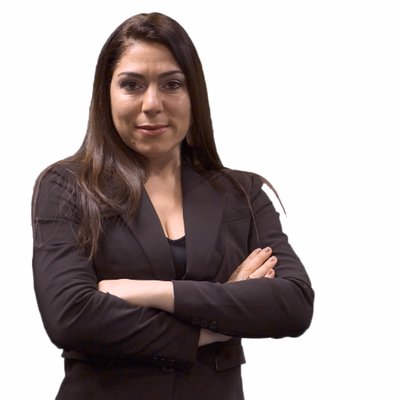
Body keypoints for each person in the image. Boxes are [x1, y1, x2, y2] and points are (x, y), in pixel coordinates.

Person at [31, 12, 314, 400]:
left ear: (193, 93)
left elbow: (294, 304)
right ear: (105, 94)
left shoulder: (242, 193)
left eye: (172, 84)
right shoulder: (68, 187)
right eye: (132, 85)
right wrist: (216, 323)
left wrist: (150, 291)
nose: (152, 103)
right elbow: (71, 315)